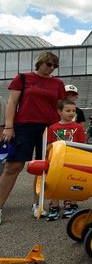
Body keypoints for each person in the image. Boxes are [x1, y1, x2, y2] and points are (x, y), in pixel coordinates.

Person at [1, 51, 65, 223]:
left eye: (54, 66)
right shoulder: (22, 78)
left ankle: (38, 204)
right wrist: (8, 126)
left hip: (49, 128)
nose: (51, 68)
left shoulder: (58, 83)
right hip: (24, 127)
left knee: (44, 168)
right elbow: (12, 103)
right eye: (48, 64)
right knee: (12, 167)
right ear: (40, 62)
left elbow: (61, 107)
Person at [46, 99, 87, 221]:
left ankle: (72, 205)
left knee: (73, 183)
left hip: (74, 161)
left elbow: (83, 145)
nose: (71, 113)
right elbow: (50, 145)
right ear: (59, 111)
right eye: (67, 110)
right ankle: (54, 207)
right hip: (57, 161)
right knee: (55, 183)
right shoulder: (53, 128)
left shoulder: (78, 127)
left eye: (73, 111)